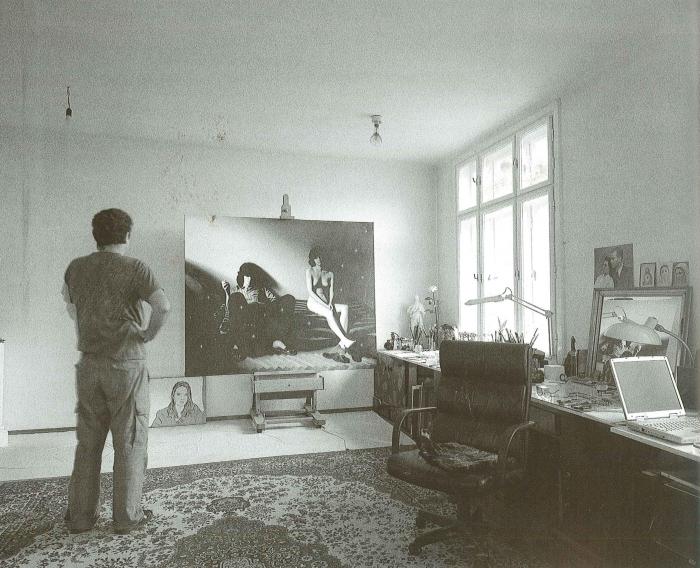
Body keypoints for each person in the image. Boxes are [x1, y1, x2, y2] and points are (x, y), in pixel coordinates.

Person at [62, 208, 170, 535]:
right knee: (130, 441)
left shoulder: (76, 268)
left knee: (88, 443)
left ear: (96, 236)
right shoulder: (136, 268)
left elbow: (71, 307)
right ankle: (126, 517)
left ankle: (80, 517)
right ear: (127, 235)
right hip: (126, 365)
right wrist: (148, 334)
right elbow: (162, 306)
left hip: (89, 365)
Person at [220, 262, 296, 359]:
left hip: (260, 319)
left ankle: (278, 343)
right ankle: (241, 347)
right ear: (242, 277)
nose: (250, 279)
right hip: (244, 323)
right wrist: (227, 293)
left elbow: (275, 302)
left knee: (288, 298)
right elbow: (230, 310)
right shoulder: (236, 291)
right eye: (247, 276)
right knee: (236, 298)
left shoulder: (261, 289)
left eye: (252, 276)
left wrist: (263, 306)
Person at [305, 247, 358, 358]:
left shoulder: (329, 274)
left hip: (326, 302)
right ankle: (345, 340)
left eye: (320, 257)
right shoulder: (309, 271)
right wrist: (325, 305)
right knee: (329, 313)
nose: (319, 259)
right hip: (313, 302)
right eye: (316, 257)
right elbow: (310, 292)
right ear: (313, 259)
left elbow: (331, 291)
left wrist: (330, 303)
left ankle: (341, 345)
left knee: (345, 307)